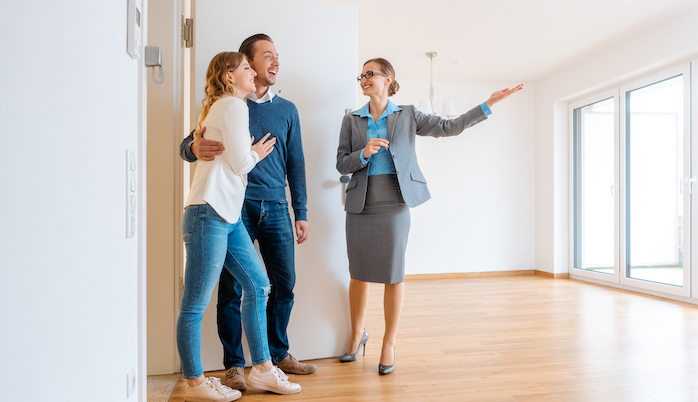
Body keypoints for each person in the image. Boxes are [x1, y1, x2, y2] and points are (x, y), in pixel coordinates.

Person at [336, 58, 523, 375]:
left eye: (371, 74)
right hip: (360, 201)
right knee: (358, 273)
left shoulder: (408, 114)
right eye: (361, 75)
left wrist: (488, 104)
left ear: (388, 78)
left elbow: (450, 127)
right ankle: (357, 336)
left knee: (394, 273)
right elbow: (342, 163)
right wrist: (363, 154)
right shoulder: (351, 119)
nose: (364, 79)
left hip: (395, 201)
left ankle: (389, 344)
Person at [180, 34, 315, 391]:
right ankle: (233, 366)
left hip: (265, 205)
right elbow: (195, 144)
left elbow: (296, 163)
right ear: (246, 65)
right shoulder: (230, 103)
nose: (275, 63)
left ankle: (271, 359)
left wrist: (299, 210)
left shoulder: (286, 110)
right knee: (228, 291)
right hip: (228, 206)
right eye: (266, 57)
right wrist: (193, 146)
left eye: (277, 56)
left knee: (273, 285)